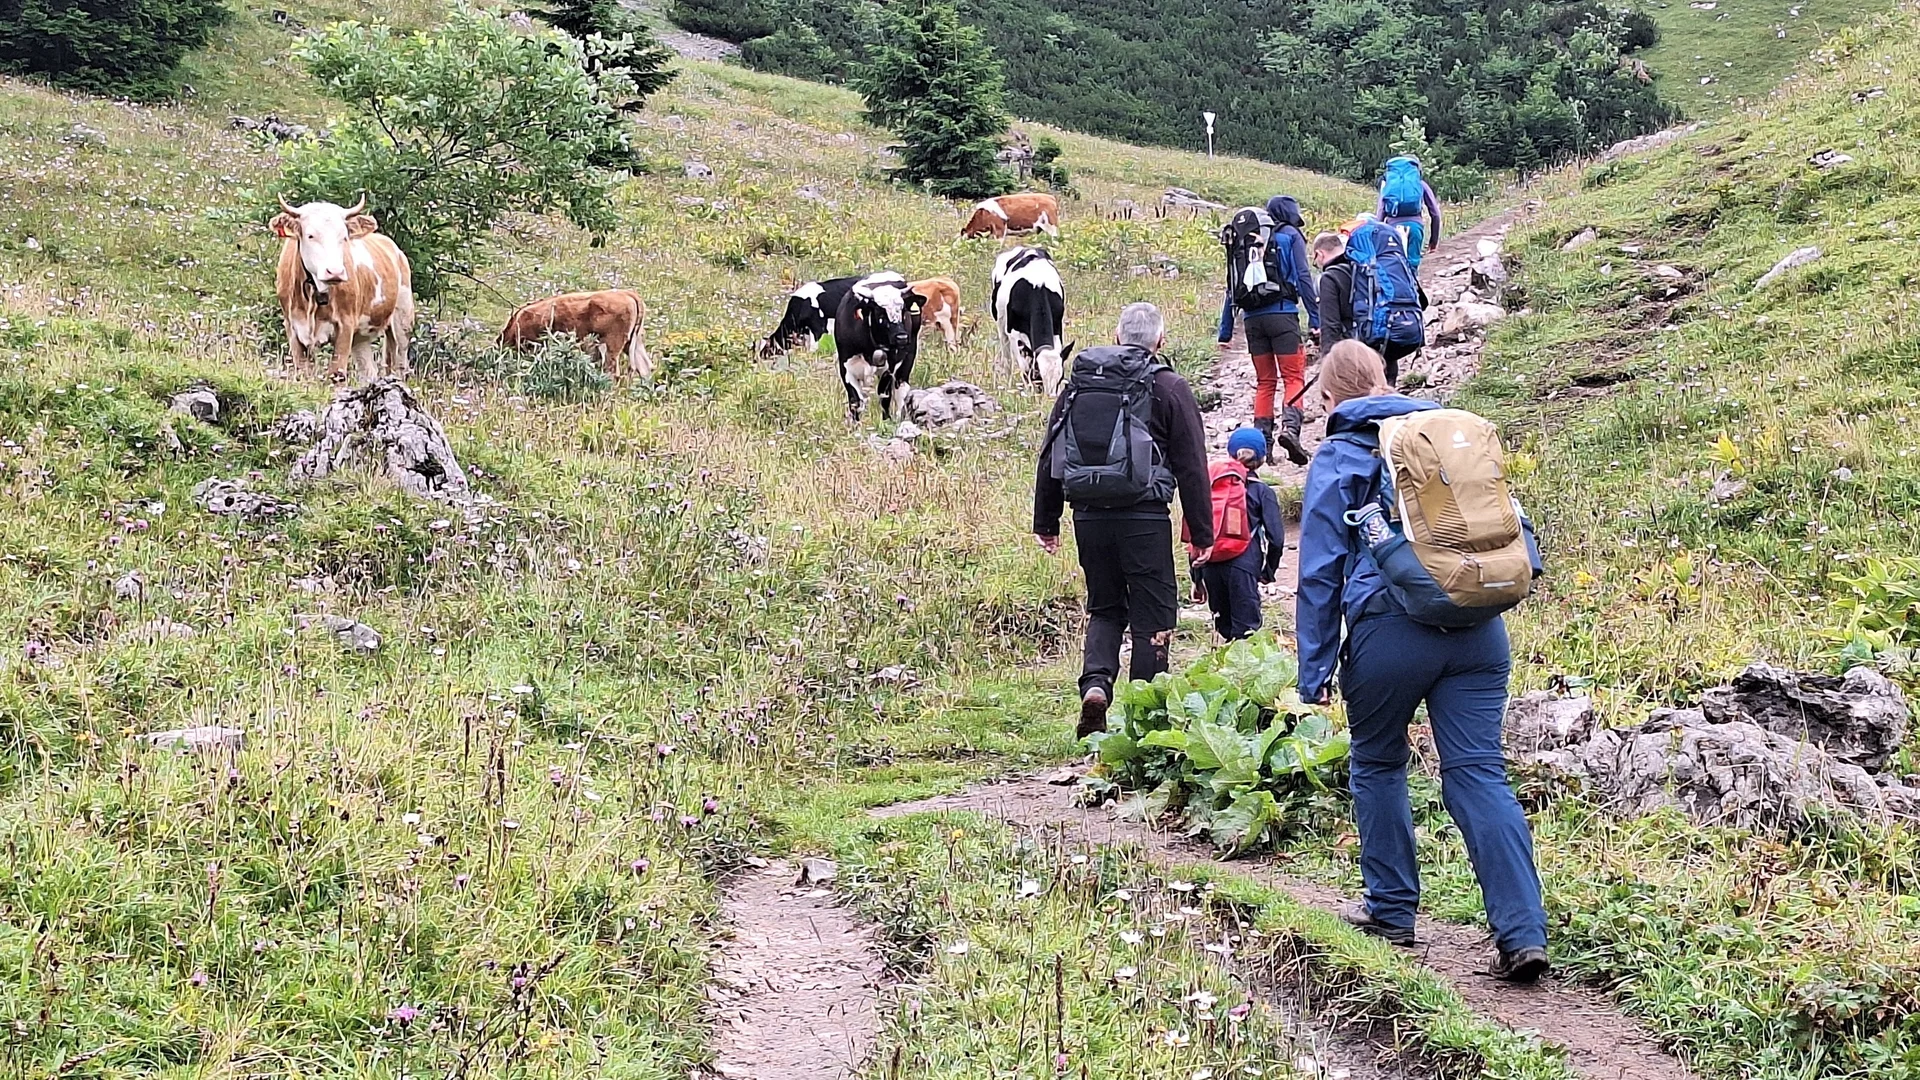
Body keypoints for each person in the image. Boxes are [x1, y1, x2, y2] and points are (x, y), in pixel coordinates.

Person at [1294, 340, 1550, 983]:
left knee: (1378, 762)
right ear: (1387, 377)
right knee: (1479, 772)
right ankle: (1522, 932)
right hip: (1478, 627)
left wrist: (1314, 670)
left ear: (1330, 397)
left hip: (1392, 629)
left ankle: (1392, 911)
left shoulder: (1342, 451)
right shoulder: (1441, 437)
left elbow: (1321, 571)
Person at [1034, 302, 1214, 738]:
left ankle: (1096, 686)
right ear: (1160, 342)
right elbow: (1191, 463)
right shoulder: (1168, 386)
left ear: (1117, 336)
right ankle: (1146, 716)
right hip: (1145, 517)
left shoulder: (1079, 384)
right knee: (1154, 612)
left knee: (1105, 606)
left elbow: (1051, 450)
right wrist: (1201, 533)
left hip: (1089, 516)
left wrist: (1047, 520)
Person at [1217, 196, 1318, 466]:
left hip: (1252, 320)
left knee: (1265, 382)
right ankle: (1291, 431)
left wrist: (1225, 332)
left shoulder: (1243, 242)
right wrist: (1316, 317)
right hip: (1283, 315)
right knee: (1293, 376)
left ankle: (1263, 446)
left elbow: (1231, 286)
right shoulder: (1287, 237)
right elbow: (1303, 276)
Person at [1190, 426, 1286, 641]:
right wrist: (1268, 570)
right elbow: (1277, 539)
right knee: (1247, 633)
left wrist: (1196, 579)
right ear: (1261, 459)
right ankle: (1243, 673)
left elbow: (1199, 531)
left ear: (1231, 454)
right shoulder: (1262, 491)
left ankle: (1223, 670)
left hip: (1210, 565)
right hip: (1243, 563)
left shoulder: (1211, 488)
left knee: (1224, 626)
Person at [1312, 229, 1424, 388]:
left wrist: (1328, 364)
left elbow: (1330, 325)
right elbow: (1422, 301)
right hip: (1387, 344)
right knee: (1386, 394)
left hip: (1360, 356)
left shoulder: (1330, 278)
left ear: (1320, 254)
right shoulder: (1368, 267)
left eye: (1315, 260)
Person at [1378, 155, 1442, 276]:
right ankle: (1413, 291)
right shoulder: (1420, 185)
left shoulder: (1388, 186)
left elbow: (1381, 212)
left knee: (1392, 265)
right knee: (1412, 266)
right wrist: (1433, 242)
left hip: (1392, 228)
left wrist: (1379, 235)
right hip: (1414, 227)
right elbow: (1435, 214)